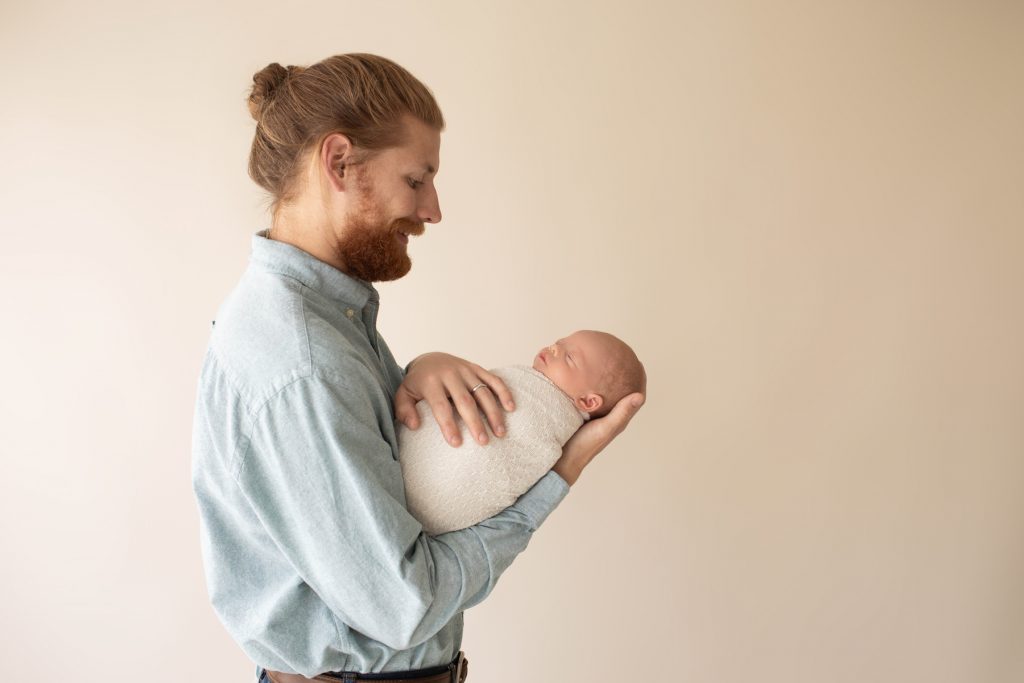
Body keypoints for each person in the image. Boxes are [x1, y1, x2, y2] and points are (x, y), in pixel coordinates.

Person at [191, 53, 645, 683]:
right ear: (339, 162)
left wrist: (414, 372)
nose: (433, 210)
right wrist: (561, 472)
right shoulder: (303, 362)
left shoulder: (324, 323)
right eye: (417, 179)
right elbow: (405, 605)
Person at [400, 330, 646, 534]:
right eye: (558, 344)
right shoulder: (523, 382)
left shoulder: (549, 417)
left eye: (569, 358)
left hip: (417, 495)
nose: (553, 349)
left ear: (589, 402)